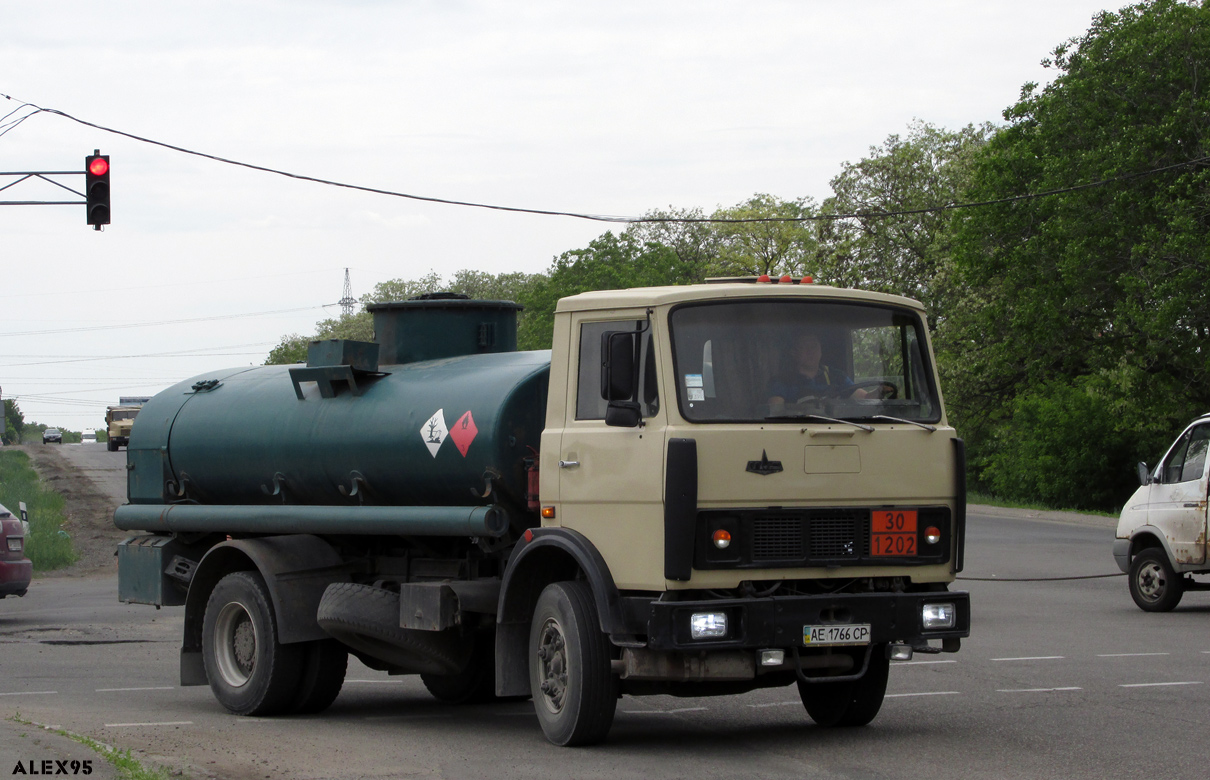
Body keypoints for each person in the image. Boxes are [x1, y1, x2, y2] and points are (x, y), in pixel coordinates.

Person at [767, 330, 882, 412]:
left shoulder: (836, 376)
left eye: (814, 346)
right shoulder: (781, 381)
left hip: (838, 430)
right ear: (794, 353)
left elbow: (865, 399)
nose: (811, 351)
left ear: (821, 350)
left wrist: (880, 391)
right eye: (804, 347)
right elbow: (776, 413)